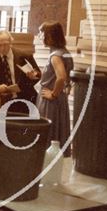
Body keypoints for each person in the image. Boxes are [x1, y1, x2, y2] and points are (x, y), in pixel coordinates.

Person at [36, 21, 74, 154]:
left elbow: (61, 77)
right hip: (59, 100)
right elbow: (67, 79)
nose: (40, 36)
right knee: (58, 134)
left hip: (50, 102)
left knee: (48, 135)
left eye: (42, 33)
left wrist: (53, 94)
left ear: (50, 36)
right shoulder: (64, 52)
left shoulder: (55, 56)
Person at [0, 30, 41, 110]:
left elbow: (38, 73)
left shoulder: (23, 55)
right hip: (3, 101)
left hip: (25, 99)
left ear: (10, 42)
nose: (2, 48)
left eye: (5, 44)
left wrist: (34, 76)